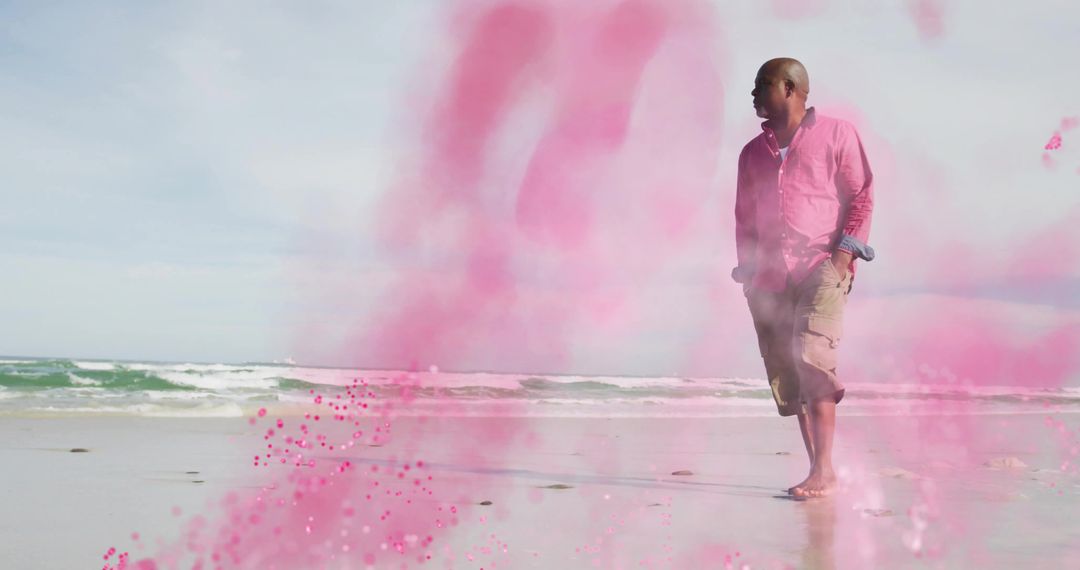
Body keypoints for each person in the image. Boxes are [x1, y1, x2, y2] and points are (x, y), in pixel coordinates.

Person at [732, 58, 875, 498]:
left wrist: (842, 257)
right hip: (769, 277)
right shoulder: (752, 153)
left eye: (762, 85)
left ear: (790, 88)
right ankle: (818, 470)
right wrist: (748, 272)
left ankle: (824, 470)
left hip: (821, 267)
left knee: (813, 359)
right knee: (789, 373)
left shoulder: (837, 134)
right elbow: (744, 216)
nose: (754, 94)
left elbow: (862, 194)